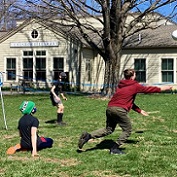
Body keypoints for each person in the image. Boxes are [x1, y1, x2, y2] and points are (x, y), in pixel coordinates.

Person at [78, 68, 173, 155]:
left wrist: (139, 111)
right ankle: (114, 149)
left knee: (109, 129)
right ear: (133, 76)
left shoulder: (121, 86)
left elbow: (127, 101)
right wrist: (165, 88)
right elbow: (149, 89)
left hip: (110, 108)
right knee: (127, 130)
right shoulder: (135, 85)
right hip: (119, 110)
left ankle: (88, 136)